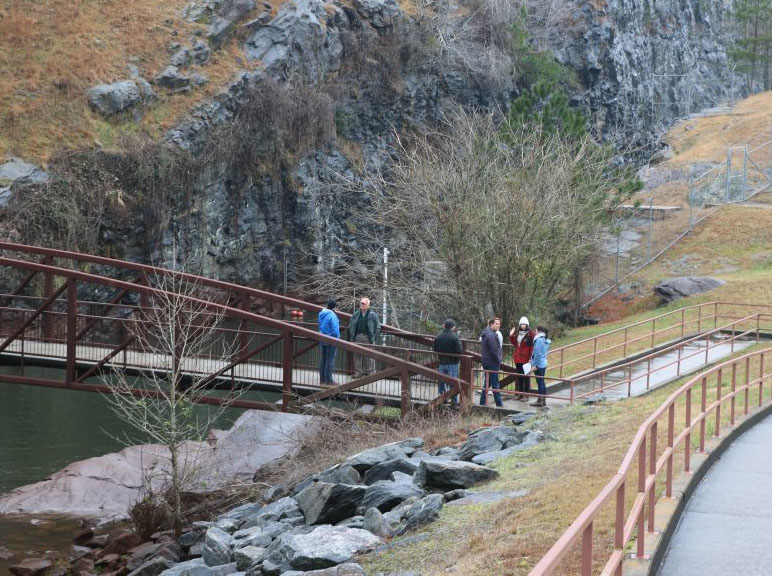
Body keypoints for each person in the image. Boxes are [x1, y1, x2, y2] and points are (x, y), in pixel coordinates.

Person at [348, 297, 381, 378]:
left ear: (368, 305)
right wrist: (353, 335)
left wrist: (374, 337)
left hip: (368, 337)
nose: (361, 305)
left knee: (370, 356)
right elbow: (351, 325)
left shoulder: (373, 315)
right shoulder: (356, 314)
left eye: (363, 303)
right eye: (361, 303)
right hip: (358, 336)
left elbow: (378, 327)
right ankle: (358, 373)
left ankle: (371, 373)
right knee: (357, 356)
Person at [433, 319, 463, 407]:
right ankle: (454, 401)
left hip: (441, 362)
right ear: (453, 327)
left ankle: (442, 399)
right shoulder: (454, 337)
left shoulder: (438, 336)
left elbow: (435, 349)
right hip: (452, 363)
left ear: (444, 326)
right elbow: (459, 351)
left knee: (441, 381)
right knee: (453, 382)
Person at [509, 317, 536, 401]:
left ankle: (526, 396)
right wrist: (511, 335)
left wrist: (530, 358)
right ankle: (520, 394)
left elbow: (532, 347)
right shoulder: (518, 334)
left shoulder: (530, 334)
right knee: (519, 377)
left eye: (524, 324)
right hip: (518, 359)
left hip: (526, 359)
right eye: (521, 324)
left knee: (526, 378)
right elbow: (514, 343)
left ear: (527, 324)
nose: (522, 325)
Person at [479, 317, 503, 407]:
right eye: (496, 324)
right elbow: (494, 350)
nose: (498, 325)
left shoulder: (486, 334)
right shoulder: (491, 335)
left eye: (499, 324)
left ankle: (482, 401)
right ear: (491, 324)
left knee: (487, 382)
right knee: (495, 383)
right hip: (492, 362)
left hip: (486, 362)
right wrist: (498, 360)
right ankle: (499, 403)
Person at [318, 299, 340, 385]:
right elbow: (335, 331)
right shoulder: (332, 315)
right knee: (330, 360)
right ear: (334, 307)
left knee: (323, 360)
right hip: (331, 340)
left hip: (323, 338)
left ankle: (322, 379)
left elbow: (320, 326)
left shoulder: (321, 314)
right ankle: (329, 380)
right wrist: (337, 338)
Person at [530, 326, 552, 407]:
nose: (534, 332)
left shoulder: (539, 340)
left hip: (539, 364)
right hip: (543, 363)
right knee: (542, 382)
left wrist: (534, 365)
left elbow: (537, 354)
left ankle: (540, 401)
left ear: (539, 331)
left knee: (540, 383)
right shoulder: (545, 339)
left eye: (535, 330)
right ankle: (543, 400)